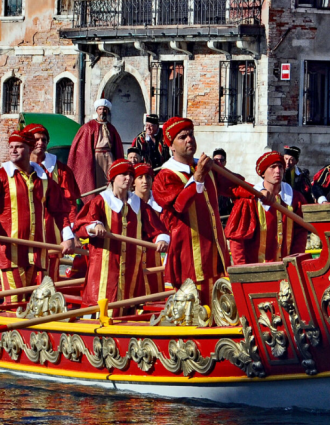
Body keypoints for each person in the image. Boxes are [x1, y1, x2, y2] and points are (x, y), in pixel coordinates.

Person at [0, 130, 77, 298]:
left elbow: (60, 211)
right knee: (14, 299)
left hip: (37, 251)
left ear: (29, 149)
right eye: (11, 147)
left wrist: (68, 237)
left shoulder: (44, 180)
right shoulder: (0, 176)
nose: (13, 150)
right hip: (10, 251)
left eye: (18, 147)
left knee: (32, 299)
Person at [152, 117, 232, 302]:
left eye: (191, 135)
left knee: (219, 304)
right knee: (192, 308)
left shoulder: (207, 168)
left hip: (215, 252)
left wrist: (263, 191)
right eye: (182, 137)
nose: (189, 140)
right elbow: (180, 205)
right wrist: (198, 177)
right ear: (171, 146)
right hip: (188, 256)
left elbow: (234, 185)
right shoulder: (165, 176)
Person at [76, 159, 169, 315]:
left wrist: (161, 239)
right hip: (104, 269)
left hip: (132, 269)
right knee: (103, 303)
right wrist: (94, 226)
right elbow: (81, 225)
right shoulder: (100, 201)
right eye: (124, 174)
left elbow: (157, 228)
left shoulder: (139, 205)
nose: (129, 178)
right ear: (113, 178)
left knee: (130, 304)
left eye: (131, 175)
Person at [225, 151, 308, 265]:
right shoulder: (249, 201)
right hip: (257, 270)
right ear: (263, 173)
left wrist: (295, 263)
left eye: (280, 167)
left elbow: (301, 234)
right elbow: (237, 240)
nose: (277, 171)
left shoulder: (296, 199)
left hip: (287, 269)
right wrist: (242, 270)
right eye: (273, 167)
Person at [23, 123, 82, 282]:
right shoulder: (17, 168)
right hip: (24, 232)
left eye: (44, 140)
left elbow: (70, 204)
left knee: (48, 281)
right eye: (36, 139)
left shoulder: (61, 170)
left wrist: (70, 233)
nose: (40, 143)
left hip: (52, 231)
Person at [68, 99, 124, 196]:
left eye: (105, 109)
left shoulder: (111, 128)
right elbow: (82, 148)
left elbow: (117, 147)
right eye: (100, 109)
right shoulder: (88, 127)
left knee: (111, 179)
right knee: (96, 182)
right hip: (96, 158)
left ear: (108, 111)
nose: (102, 111)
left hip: (109, 157)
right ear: (97, 111)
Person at [132, 162, 165, 292]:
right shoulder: (126, 203)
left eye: (148, 177)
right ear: (133, 182)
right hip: (133, 254)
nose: (145, 181)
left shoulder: (161, 201)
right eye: (140, 177)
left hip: (155, 253)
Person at [212, 149, 236, 217]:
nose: (219, 162)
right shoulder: (208, 176)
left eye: (221, 160)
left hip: (225, 216)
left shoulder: (230, 178)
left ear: (225, 162)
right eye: (216, 160)